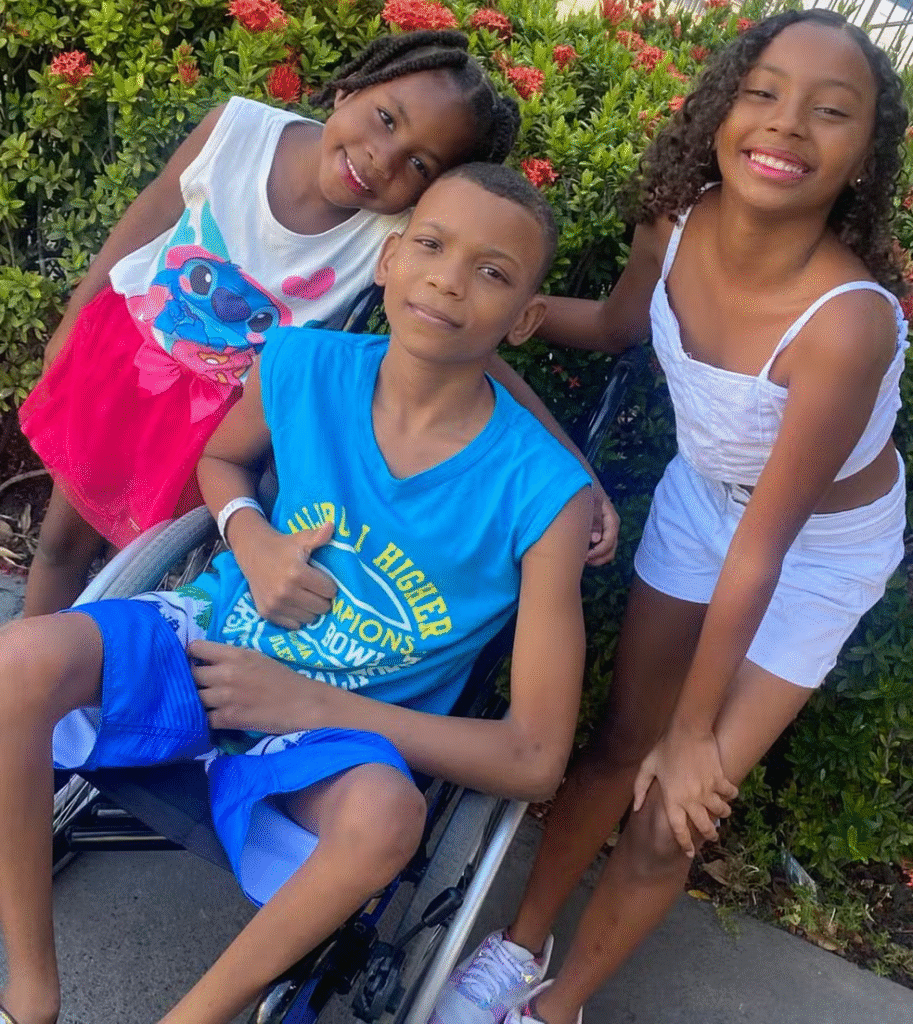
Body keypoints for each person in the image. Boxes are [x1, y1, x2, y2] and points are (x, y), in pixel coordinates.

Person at [0, 162, 594, 1024]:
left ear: (525, 318)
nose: (448, 279)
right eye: (431, 245)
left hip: (336, 733)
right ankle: (29, 994)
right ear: (389, 259)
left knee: (386, 818)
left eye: (492, 272)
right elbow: (223, 458)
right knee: (19, 659)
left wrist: (308, 701)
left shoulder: (544, 497)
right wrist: (252, 537)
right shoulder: (303, 363)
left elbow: (534, 757)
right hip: (210, 642)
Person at [431, 11, 909, 1024]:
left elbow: (765, 550)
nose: (786, 125)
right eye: (762, 93)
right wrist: (497, 313)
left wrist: (693, 735)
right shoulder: (675, 222)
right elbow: (615, 324)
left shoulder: (847, 324)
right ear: (723, 108)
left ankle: (555, 1008)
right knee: (620, 743)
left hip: (813, 556)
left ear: (866, 153)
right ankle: (519, 946)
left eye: (830, 112)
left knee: (675, 807)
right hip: (702, 502)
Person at [20, 29, 617, 618]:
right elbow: (152, 209)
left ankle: (92, 670)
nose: (382, 158)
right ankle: (27, 659)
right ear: (349, 89)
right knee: (60, 543)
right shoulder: (238, 130)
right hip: (124, 364)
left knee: (144, 566)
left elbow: (476, 351)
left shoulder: (389, 239)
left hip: (210, 427)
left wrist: (578, 471)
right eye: (386, 119)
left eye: (418, 163)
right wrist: (74, 319)